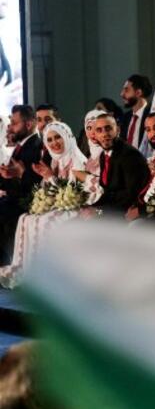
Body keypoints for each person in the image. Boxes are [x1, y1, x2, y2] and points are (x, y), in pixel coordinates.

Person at [0, 122, 87, 283]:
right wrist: (44, 194)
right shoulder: (55, 161)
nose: (54, 143)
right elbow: (47, 189)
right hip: (58, 205)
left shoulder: (77, 160)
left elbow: (77, 192)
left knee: (46, 220)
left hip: (75, 207)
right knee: (26, 218)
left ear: (67, 137)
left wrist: (50, 177)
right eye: (50, 140)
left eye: (58, 137)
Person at [75, 114, 149, 213]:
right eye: (99, 130)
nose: (104, 134)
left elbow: (130, 195)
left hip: (127, 212)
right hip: (111, 208)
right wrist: (91, 206)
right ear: (95, 135)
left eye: (108, 128)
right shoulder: (103, 155)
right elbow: (108, 192)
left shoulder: (130, 155)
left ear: (117, 130)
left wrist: (99, 211)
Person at [0, 105, 42, 264]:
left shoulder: (35, 146)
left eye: (15, 123)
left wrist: (19, 174)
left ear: (29, 124)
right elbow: (12, 177)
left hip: (26, 201)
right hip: (13, 198)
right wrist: (5, 176)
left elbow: (35, 182)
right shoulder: (22, 146)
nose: (10, 128)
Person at [119, 74, 152, 149]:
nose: (122, 94)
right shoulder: (125, 117)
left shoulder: (152, 114)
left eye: (126, 90)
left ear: (138, 93)